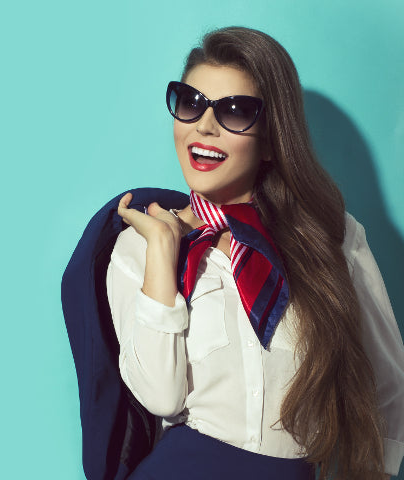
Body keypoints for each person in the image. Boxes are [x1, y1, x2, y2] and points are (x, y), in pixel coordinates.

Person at [107, 27, 404, 479]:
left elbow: (388, 388)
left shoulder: (333, 236)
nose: (204, 126)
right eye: (191, 103)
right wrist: (162, 250)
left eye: (234, 111)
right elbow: (160, 397)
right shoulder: (140, 246)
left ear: (270, 140)